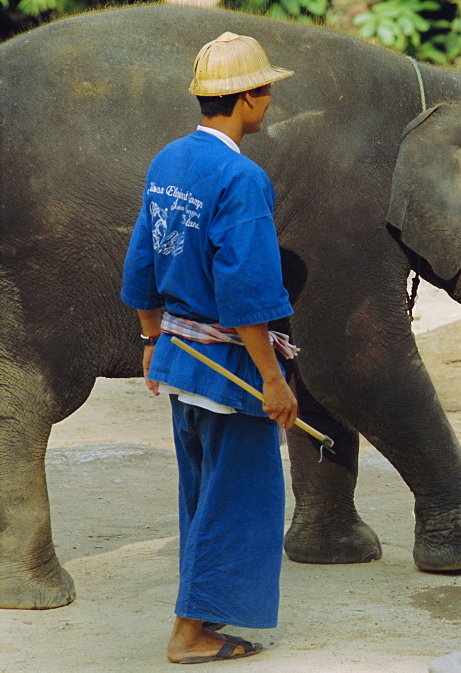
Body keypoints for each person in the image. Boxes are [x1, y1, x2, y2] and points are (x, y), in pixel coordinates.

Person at [120, 32, 298, 664]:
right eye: (267, 90)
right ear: (246, 99)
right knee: (239, 500)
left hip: (178, 358)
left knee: (200, 494)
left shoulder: (169, 160)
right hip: (229, 372)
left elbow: (143, 260)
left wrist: (149, 339)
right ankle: (190, 632)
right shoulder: (242, 178)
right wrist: (273, 380)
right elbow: (247, 291)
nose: (271, 100)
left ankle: (195, 623)